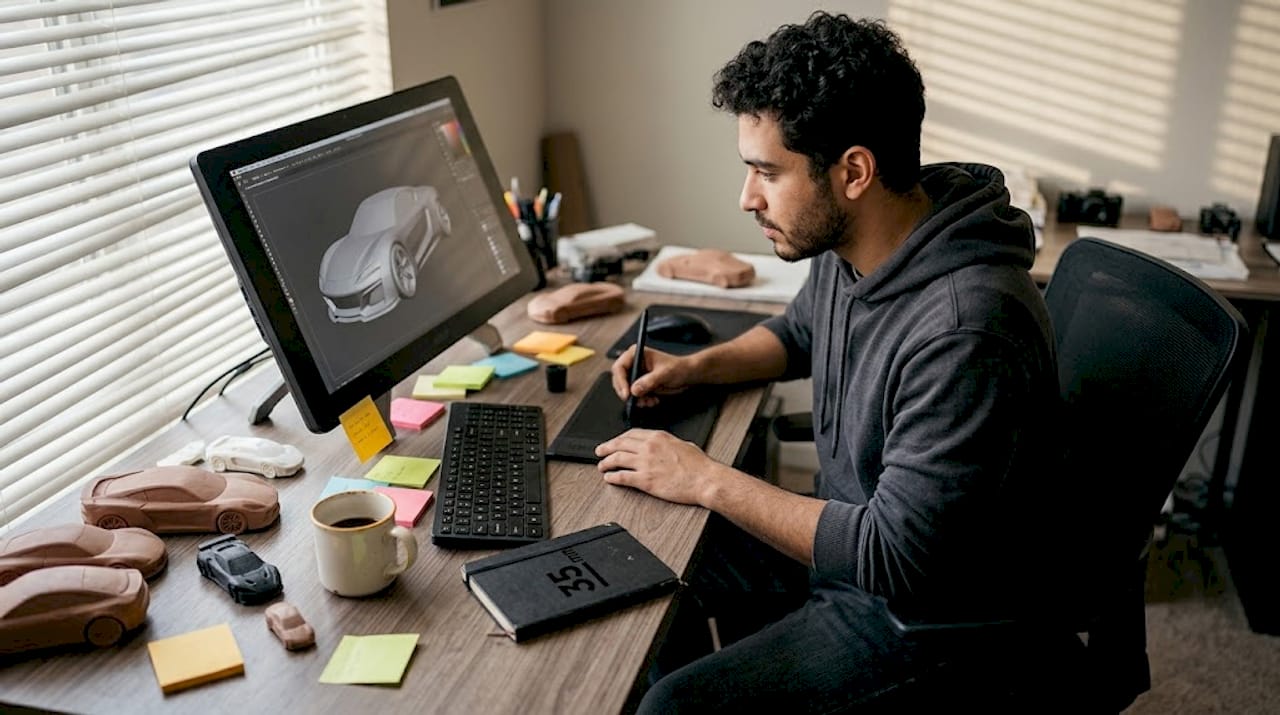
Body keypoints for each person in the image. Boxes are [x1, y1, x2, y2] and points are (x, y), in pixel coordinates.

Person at [595, 11, 1060, 712]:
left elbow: (894, 554)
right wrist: (695, 367)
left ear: (854, 172)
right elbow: (798, 333)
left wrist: (706, 478)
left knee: (673, 708)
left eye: (767, 173)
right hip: (847, 547)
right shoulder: (863, 239)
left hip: (919, 616)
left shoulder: (967, 330)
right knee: (647, 539)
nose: (747, 198)